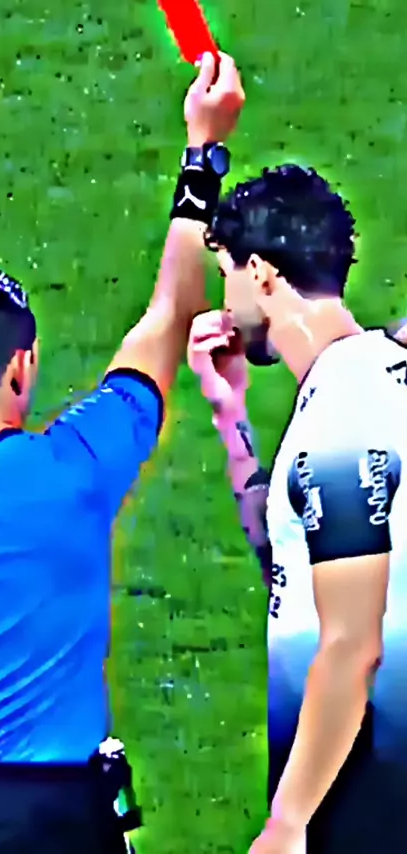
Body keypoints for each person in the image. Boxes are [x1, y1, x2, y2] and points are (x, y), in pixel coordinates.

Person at [0, 53, 244, 852]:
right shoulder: (77, 469)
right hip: (57, 819)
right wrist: (202, 156)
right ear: (22, 367)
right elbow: (169, 318)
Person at [187, 163, 407, 854]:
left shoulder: (342, 417)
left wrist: (288, 822)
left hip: (370, 791)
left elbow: (351, 643)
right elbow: (290, 572)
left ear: (260, 273)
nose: (225, 303)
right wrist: (231, 417)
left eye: (225, 274)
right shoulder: (366, 381)